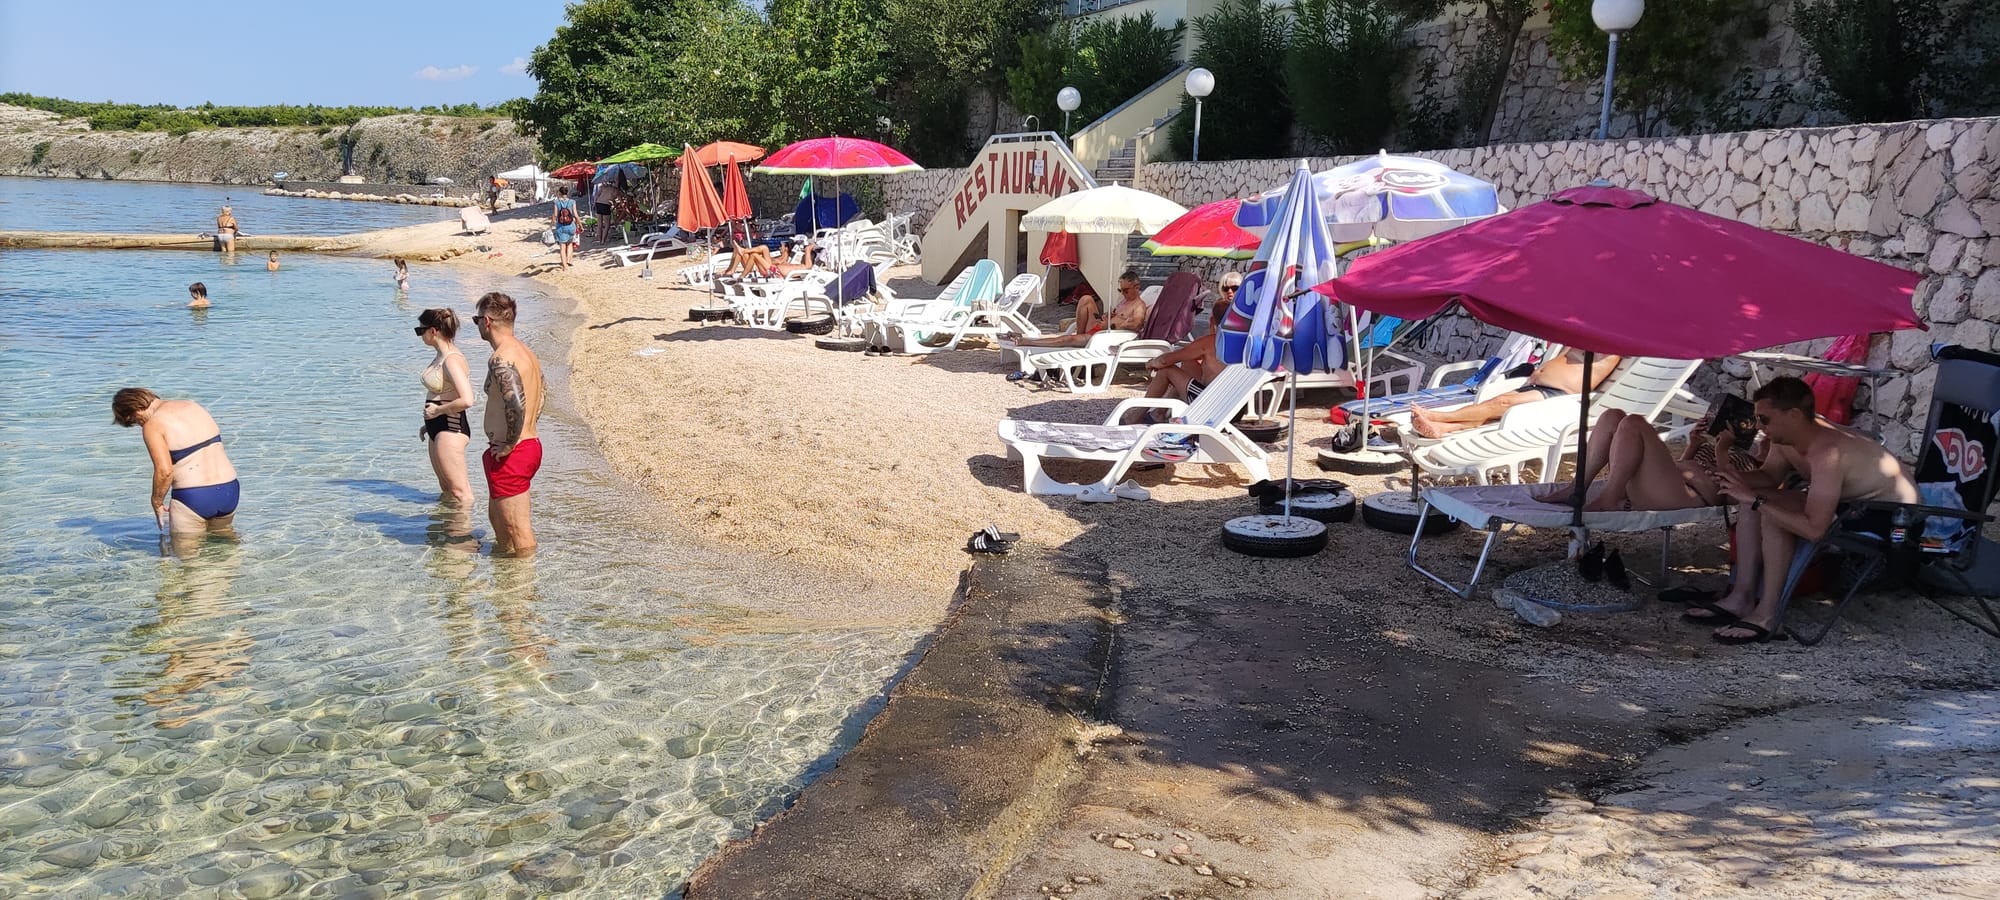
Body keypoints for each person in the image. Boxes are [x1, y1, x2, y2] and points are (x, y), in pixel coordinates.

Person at [1683, 376, 1920, 644]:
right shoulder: (1787, 438)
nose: (1759, 427)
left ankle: (1768, 615)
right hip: (1849, 502)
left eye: (1765, 419)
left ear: (1794, 415)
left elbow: (1815, 530)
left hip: (1892, 518)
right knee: (1756, 502)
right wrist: (1728, 473)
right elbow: (1769, 477)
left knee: (1769, 509)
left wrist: (1756, 500)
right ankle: (1741, 597)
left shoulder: (1827, 452)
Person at [1533, 408, 1747, 512]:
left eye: (1762, 420)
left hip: (1689, 496)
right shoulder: (1719, 446)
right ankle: (1577, 488)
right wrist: (1694, 444)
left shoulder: (1756, 466)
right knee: (1613, 416)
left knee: (1634, 423)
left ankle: (1609, 498)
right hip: (1670, 482)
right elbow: (1681, 467)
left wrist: (1722, 450)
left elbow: (1733, 495)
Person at [113, 388, 240, 542]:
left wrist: (156, 502)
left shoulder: (153, 424)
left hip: (193, 495)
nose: (140, 424)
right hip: (229, 490)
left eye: (134, 421)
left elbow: (165, 471)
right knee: (225, 548)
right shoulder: (193, 406)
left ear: (134, 410)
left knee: (185, 555)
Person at [1408, 348, 1621, 438]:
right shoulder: (1587, 335)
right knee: (1492, 408)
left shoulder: (1610, 346)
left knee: (1501, 403)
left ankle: (1438, 416)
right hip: (1537, 385)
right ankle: (1443, 428)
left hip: (1561, 395)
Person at [474, 293, 546, 556]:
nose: (477, 325)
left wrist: (509, 443)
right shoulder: (526, 352)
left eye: (476, 320)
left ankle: (524, 578)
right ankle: (505, 574)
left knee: (518, 531)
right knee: (501, 525)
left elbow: (515, 401)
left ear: (487, 321)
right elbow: (542, 393)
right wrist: (526, 429)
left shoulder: (502, 358)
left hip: (513, 452)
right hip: (526, 445)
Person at [416, 308, 477, 506]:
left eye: (420, 330)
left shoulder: (451, 360)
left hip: (451, 426)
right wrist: (429, 423)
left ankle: (467, 526)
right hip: (438, 426)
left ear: (433, 331)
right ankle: (449, 525)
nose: (420, 335)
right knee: (446, 488)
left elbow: (467, 399)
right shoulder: (440, 356)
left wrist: (437, 411)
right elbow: (443, 393)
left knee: (461, 492)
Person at [1010, 270, 1150, 351]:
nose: (1123, 293)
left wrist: (1111, 325)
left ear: (1136, 287)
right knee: (1086, 299)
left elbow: (1136, 325)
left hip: (1105, 336)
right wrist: (1107, 317)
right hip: (1100, 329)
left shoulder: (1139, 306)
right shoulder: (1124, 301)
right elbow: (1116, 317)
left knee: (1067, 339)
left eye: (1125, 290)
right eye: (1120, 290)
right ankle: (1080, 337)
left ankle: (1027, 341)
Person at [1139, 288, 1232, 408]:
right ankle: (1159, 412)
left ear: (1213, 320)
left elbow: (1165, 360)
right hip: (1233, 402)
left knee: (1166, 370)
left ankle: (1137, 414)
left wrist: (1152, 363)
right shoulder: (1243, 342)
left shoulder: (1208, 342)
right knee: (1189, 362)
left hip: (1210, 403)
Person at [551, 185, 579, 270]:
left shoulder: (556, 202)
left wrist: (551, 225)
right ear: (567, 192)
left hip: (561, 227)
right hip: (571, 226)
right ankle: (569, 260)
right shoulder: (572, 202)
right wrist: (580, 225)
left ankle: (564, 266)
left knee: (562, 247)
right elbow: (576, 215)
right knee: (570, 243)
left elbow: (555, 215)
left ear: (559, 193)